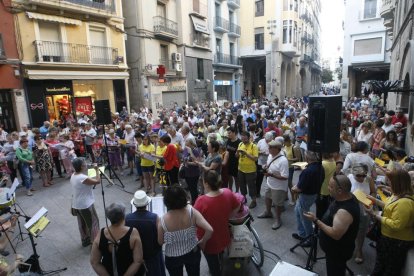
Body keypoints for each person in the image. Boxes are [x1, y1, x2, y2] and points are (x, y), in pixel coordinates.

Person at [304, 175, 360, 276]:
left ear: (339, 191)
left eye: (330, 186)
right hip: (333, 251)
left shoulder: (344, 212)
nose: (327, 188)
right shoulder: (347, 196)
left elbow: (335, 234)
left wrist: (315, 220)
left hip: (337, 253)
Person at [366, 169, 414, 276]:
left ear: (398, 183)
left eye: (390, 181)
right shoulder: (398, 194)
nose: (388, 183)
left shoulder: (405, 203)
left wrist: (375, 215)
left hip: (396, 242)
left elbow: (397, 225)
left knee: (389, 268)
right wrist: (374, 200)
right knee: (381, 264)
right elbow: (389, 207)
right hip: (389, 238)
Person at [157, 185, 213, 276]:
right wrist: (203, 241)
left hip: (172, 257)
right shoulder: (192, 211)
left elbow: (160, 242)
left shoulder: (162, 220)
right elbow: (209, 229)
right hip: (192, 251)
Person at [194, 171, 239, 276]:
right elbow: (238, 205)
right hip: (223, 235)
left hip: (208, 240)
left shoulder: (201, 200)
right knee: (220, 252)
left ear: (206, 184)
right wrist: (228, 216)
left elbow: (194, 220)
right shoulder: (227, 192)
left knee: (213, 265)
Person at [90, 203, 144, 276]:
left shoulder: (101, 233)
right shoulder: (133, 233)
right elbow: (138, 261)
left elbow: (94, 262)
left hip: (109, 271)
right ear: (123, 216)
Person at [125, 191, 166, 276]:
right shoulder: (155, 217)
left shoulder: (127, 218)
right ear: (147, 203)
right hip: (152, 255)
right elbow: (160, 241)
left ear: (135, 204)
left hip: (135, 256)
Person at [292, 151, 324, 244]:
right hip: (313, 194)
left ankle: (309, 238)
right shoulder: (320, 167)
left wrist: (294, 188)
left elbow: (299, 188)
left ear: (306, 157)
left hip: (306, 196)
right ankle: (302, 234)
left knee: (305, 217)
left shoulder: (308, 171)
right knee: (298, 211)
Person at [347, 163, 375, 264]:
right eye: (358, 175)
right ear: (353, 173)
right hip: (351, 208)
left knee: (361, 230)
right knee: (349, 228)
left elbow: (373, 192)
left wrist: (369, 199)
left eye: (364, 175)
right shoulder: (349, 177)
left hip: (364, 208)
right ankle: (349, 247)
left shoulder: (369, 179)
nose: (361, 177)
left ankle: (359, 250)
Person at [258, 140, 289, 230]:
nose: (268, 149)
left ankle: (278, 220)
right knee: (267, 198)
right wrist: (265, 166)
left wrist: (271, 175)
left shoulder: (283, 161)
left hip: (279, 186)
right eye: (269, 147)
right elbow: (268, 164)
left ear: (277, 149)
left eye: (270, 147)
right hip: (270, 182)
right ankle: (268, 212)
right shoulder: (270, 155)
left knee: (277, 204)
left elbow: (285, 177)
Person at [71, 158, 101, 247]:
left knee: (82, 223)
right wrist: (97, 170)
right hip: (85, 204)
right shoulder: (82, 177)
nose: (86, 164)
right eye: (84, 163)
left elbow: (85, 180)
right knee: (94, 222)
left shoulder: (74, 175)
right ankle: (95, 243)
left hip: (77, 204)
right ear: (81, 166)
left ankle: (85, 239)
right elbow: (97, 181)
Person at [236, 131, 259, 208]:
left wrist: (246, 153)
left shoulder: (254, 146)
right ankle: (243, 198)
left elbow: (255, 159)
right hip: (241, 169)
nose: (243, 141)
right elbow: (237, 156)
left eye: (245, 139)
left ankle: (254, 201)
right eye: (242, 139)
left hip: (250, 170)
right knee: (242, 185)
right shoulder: (240, 144)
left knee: (251, 186)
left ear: (249, 138)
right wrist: (237, 152)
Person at [182, 137, 202, 204]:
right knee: (190, 188)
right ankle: (192, 201)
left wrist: (191, 152)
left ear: (191, 143)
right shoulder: (185, 149)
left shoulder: (195, 150)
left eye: (186, 141)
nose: (185, 142)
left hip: (194, 173)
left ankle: (195, 203)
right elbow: (184, 158)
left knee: (193, 189)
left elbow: (197, 162)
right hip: (187, 172)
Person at [226, 127, 241, 192]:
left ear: (234, 133)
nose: (228, 134)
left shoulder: (239, 142)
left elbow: (239, 154)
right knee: (229, 176)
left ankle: (237, 191)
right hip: (228, 161)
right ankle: (230, 189)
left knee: (236, 178)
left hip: (236, 162)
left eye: (229, 133)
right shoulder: (228, 140)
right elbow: (227, 150)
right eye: (228, 133)